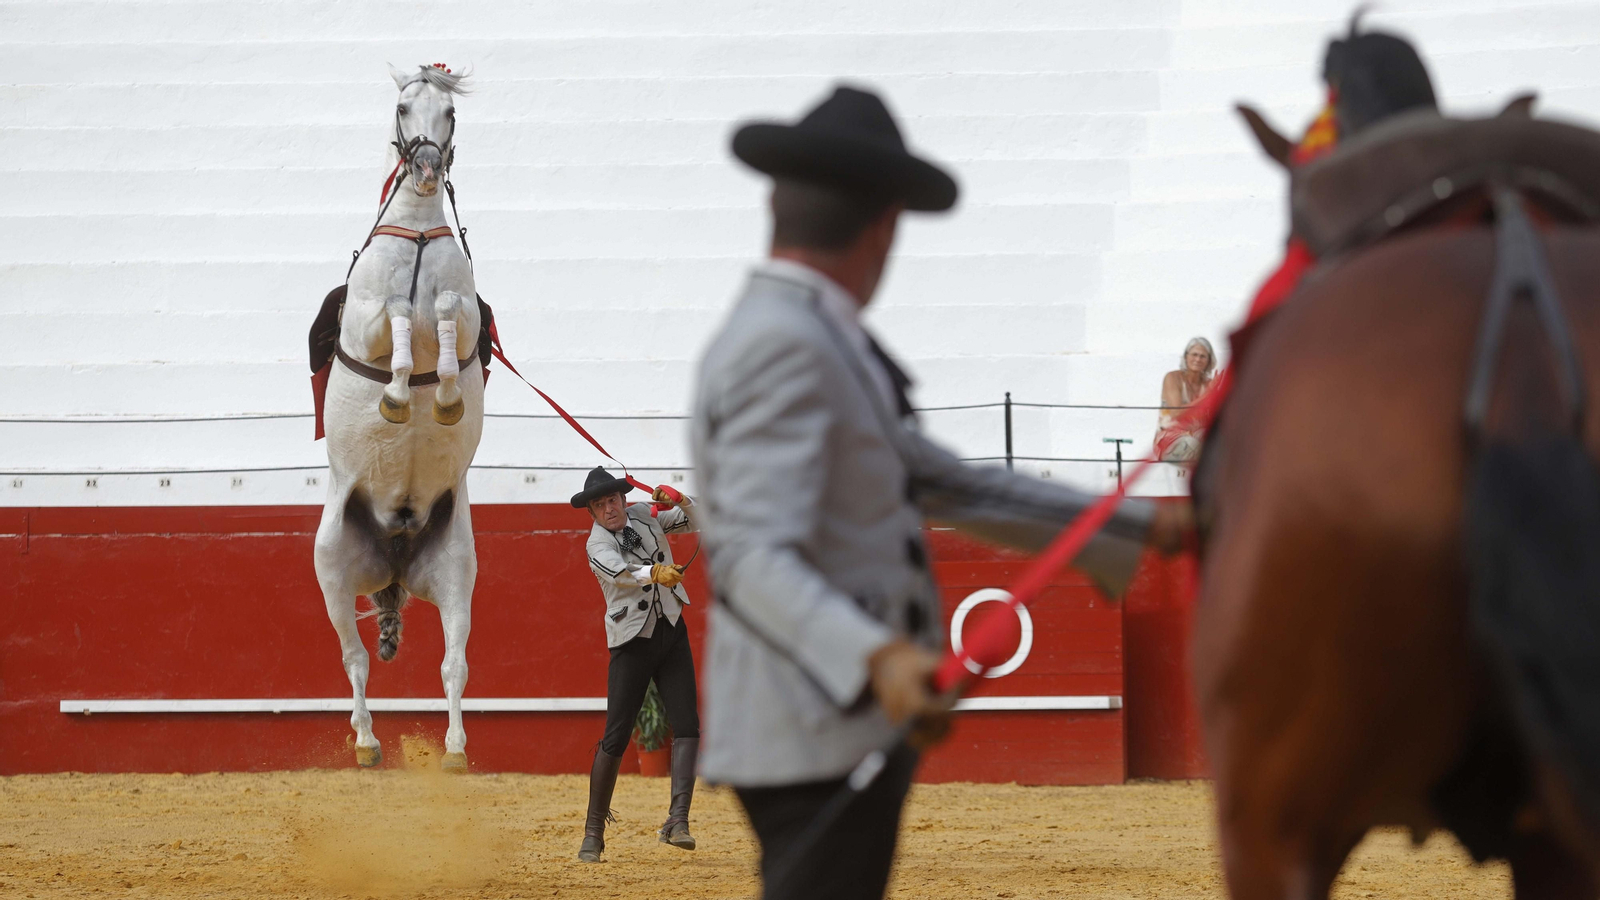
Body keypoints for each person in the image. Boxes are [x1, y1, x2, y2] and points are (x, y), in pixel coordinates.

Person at [689, 85, 1190, 900]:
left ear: (778, 204)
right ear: (885, 227)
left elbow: (938, 479)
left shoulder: (804, 334)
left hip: (829, 722)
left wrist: (1147, 528)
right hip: (814, 725)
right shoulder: (787, 344)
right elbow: (745, 555)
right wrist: (878, 658)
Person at [571, 466, 702, 862]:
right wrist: (655, 572)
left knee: (688, 725)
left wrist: (680, 500)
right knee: (616, 735)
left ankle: (677, 821)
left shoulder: (646, 513)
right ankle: (593, 832)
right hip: (631, 641)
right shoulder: (596, 545)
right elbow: (622, 574)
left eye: (612, 500)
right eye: (599, 505)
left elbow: (698, 521)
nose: (609, 509)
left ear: (623, 499)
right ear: (592, 513)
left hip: (671, 629)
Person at [1155, 336, 1218, 463]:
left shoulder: (1209, 384)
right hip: (1170, 439)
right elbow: (1176, 413)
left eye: (1202, 356)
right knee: (1195, 445)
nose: (1197, 359)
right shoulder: (1172, 378)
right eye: (1194, 354)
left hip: (1198, 437)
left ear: (1209, 361)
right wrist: (1208, 395)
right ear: (1186, 357)